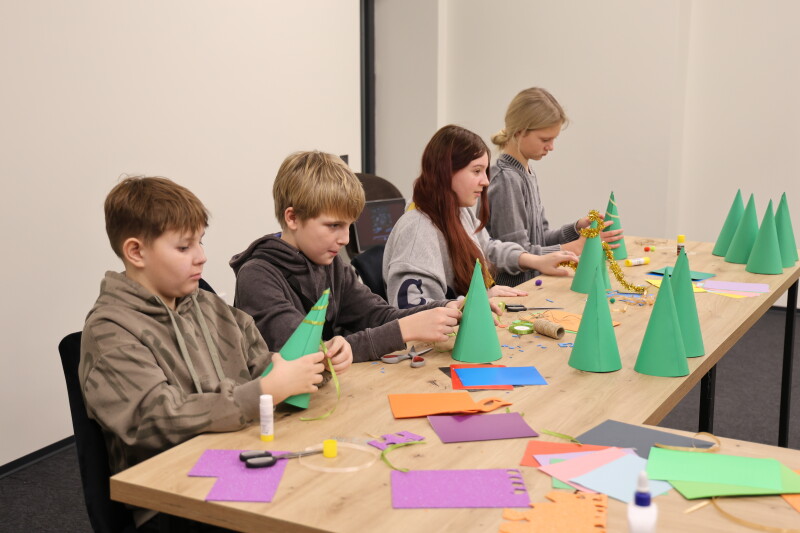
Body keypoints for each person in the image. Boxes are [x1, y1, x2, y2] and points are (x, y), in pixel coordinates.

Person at [80, 176, 326, 530]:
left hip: (241, 456)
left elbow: (261, 365)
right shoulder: (110, 331)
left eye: (200, 241)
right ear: (136, 252)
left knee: (328, 492)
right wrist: (265, 391)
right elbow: (156, 419)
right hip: (173, 498)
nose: (201, 256)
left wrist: (311, 364)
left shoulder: (208, 305)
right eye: (184, 247)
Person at [231, 151, 462, 363]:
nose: (345, 239)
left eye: (349, 226)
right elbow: (308, 355)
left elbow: (379, 316)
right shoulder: (257, 277)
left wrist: (446, 308)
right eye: (334, 225)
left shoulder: (330, 265)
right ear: (292, 218)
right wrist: (402, 330)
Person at [383, 125, 578, 309]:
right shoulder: (418, 231)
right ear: (445, 172)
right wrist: (477, 301)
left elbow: (487, 248)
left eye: (485, 172)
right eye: (477, 171)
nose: (485, 181)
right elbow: (411, 308)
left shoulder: (459, 211)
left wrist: (536, 261)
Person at [486, 87, 622, 285]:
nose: (551, 147)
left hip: (533, 286)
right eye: (545, 139)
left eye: (553, 139)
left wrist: (576, 229)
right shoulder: (506, 179)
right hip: (513, 292)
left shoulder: (526, 172)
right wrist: (575, 248)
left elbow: (540, 238)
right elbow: (518, 255)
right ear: (520, 132)